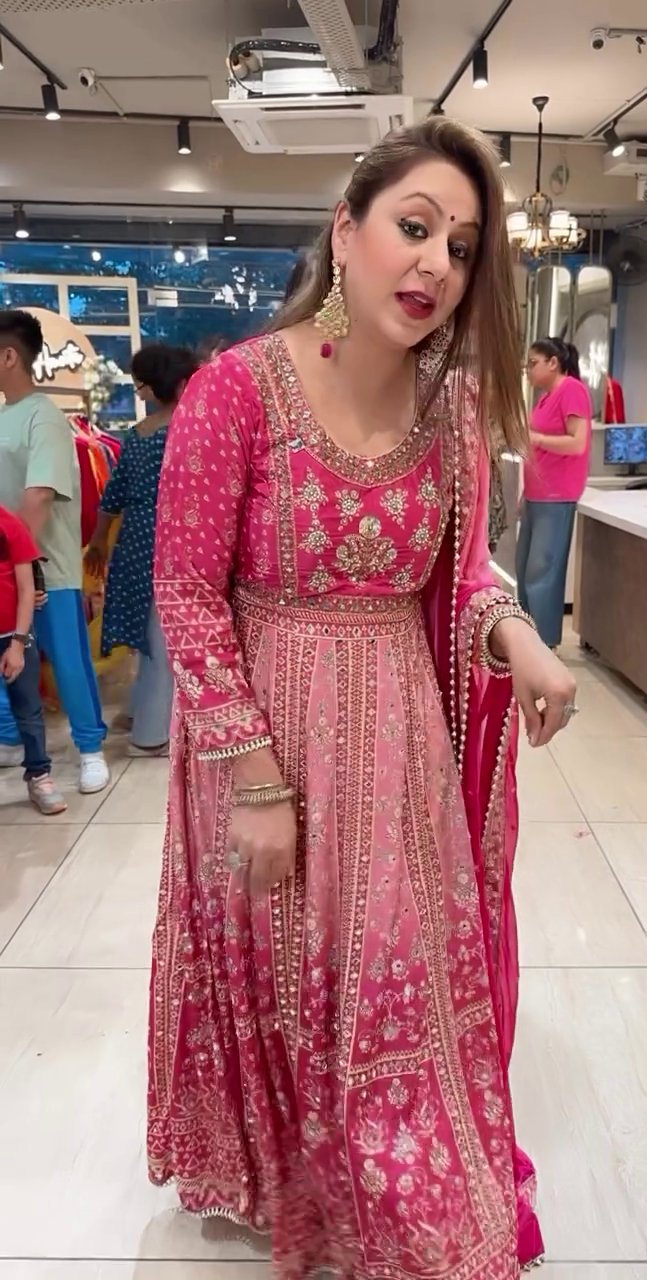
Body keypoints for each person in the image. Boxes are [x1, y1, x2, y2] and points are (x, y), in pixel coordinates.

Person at [147, 117, 578, 1279]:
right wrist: (255, 781)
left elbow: (461, 576)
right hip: (262, 736)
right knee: (276, 960)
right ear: (346, 232)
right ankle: (288, 1181)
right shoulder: (237, 392)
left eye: (463, 247)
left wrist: (523, 641)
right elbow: (186, 592)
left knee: (390, 969)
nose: (436, 262)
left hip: (396, 746)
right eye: (414, 226)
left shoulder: (450, 412)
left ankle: (390, 1182)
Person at [0, 310, 109, 792]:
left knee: (66, 659)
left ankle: (90, 748)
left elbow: (39, 494)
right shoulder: (4, 416)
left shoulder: (44, 417)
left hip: (47, 570)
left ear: (9, 357)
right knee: (7, 654)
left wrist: (17, 562)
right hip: (7, 570)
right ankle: (11, 738)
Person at [85, 344, 198, 756]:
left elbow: (112, 495)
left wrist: (99, 540)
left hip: (135, 539)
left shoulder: (136, 435)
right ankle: (150, 736)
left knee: (151, 634)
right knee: (167, 639)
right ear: (183, 383)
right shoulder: (192, 431)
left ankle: (135, 713)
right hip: (176, 538)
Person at [516, 337, 593, 649]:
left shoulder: (572, 390)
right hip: (537, 493)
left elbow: (577, 443)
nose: (529, 370)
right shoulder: (545, 398)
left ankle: (543, 641)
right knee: (524, 567)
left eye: (533, 363)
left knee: (542, 570)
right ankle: (526, 636)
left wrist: (534, 438)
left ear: (553, 363)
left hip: (557, 494)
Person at [0, 504, 66, 814]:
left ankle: (39, 775)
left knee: (28, 708)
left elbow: (27, 589)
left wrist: (17, 643)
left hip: (13, 634)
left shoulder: (10, 525)